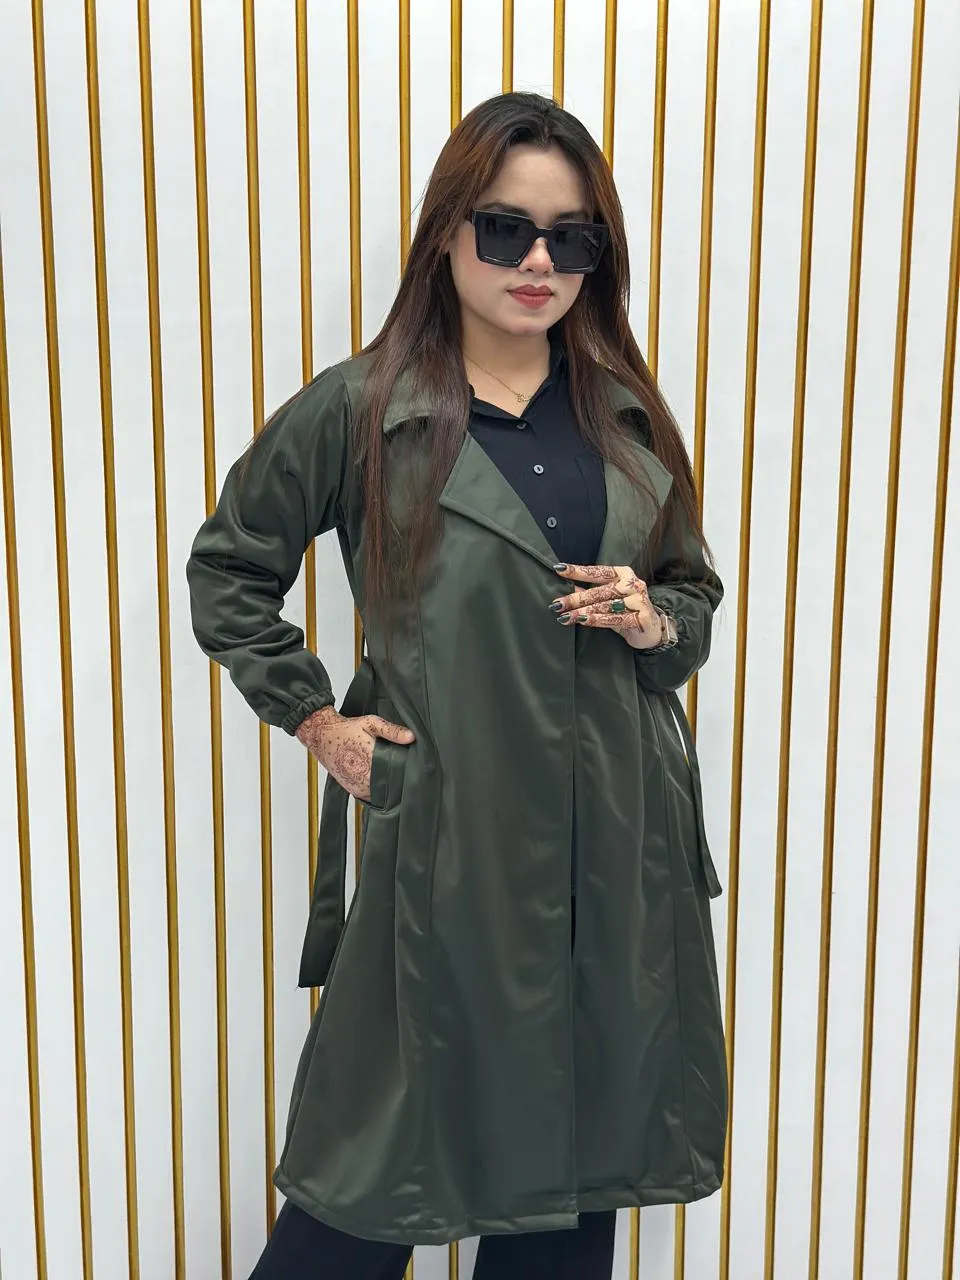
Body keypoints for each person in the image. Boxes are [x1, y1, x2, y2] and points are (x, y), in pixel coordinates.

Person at [186, 90, 727, 1280]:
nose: (539, 261)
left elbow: (691, 598)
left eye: (571, 237)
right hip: (450, 845)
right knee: (369, 1179)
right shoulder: (361, 409)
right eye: (506, 227)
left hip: (617, 851)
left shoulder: (627, 417)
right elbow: (228, 569)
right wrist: (317, 718)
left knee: (577, 1180)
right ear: (447, 234)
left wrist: (655, 617)